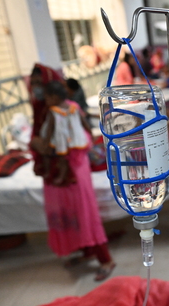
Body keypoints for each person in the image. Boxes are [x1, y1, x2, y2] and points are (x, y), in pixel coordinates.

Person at [30, 80, 116, 281]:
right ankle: (87, 251)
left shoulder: (52, 113)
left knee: (84, 212)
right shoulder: (74, 108)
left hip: (69, 165)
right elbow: (86, 127)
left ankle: (105, 259)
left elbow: (48, 138)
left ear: (53, 97)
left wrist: (42, 147)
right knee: (76, 212)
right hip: (78, 162)